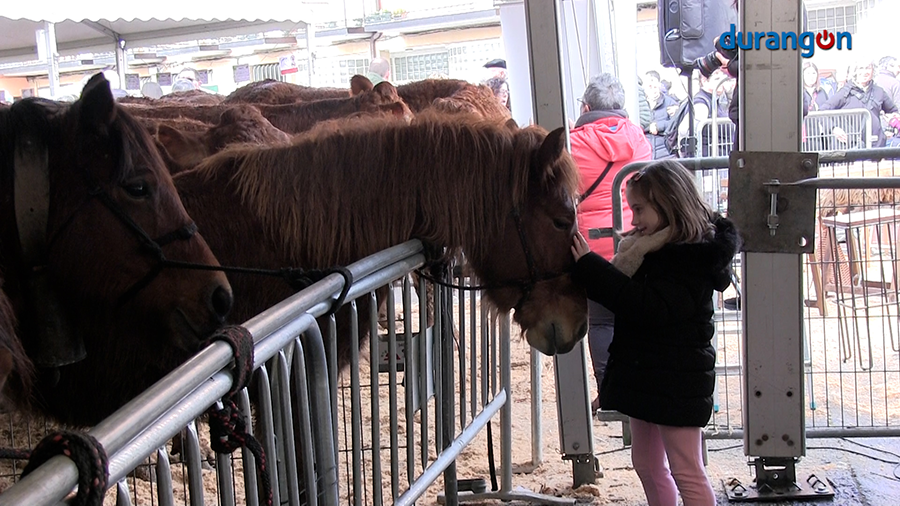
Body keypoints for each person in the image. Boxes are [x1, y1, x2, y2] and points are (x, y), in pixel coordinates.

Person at [571, 160, 739, 506]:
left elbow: (649, 307)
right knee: (646, 464)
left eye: (639, 209)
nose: (633, 220)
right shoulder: (654, 250)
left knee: (687, 470)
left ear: (669, 204)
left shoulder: (690, 258)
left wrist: (591, 268)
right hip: (650, 377)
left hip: (677, 383)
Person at [569, 73, 652, 412]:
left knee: (601, 321)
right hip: (639, 240)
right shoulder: (639, 137)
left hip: (593, 245)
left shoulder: (573, 144)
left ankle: (611, 391)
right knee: (637, 316)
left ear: (586, 107)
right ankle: (644, 383)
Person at [820, 60, 899, 148]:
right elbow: (822, 111)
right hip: (851, 146)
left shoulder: (879, 92)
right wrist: (833, 128)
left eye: (868, 68)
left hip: (876, 146)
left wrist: (891, 127)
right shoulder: (844, 93)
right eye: (861, 68)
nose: (865, 72)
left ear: (873, 71)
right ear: (855, 71)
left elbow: (893, 111)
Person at [643, 70, 679, 159]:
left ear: (659, 85)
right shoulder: (639, 104)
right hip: (645, 154)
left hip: (666, 154)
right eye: (650, 86)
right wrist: (649, 127)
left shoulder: (671, 103)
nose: (653, 89)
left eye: (655, 86)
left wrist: (659, 126)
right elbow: (634, 124)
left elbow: (676, 124)